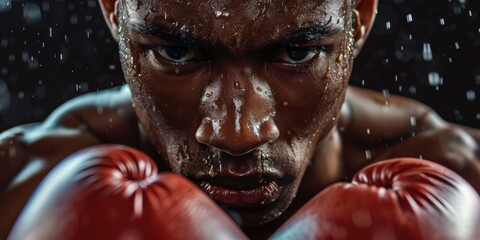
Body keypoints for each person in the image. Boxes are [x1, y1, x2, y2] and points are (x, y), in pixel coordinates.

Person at [1, 0, 479, 238]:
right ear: (114, 13)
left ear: (359, 16)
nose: (236, 134)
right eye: (177, 51)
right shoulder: (16, 184)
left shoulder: (467, 178)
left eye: (297, 52)